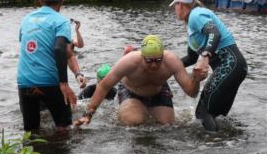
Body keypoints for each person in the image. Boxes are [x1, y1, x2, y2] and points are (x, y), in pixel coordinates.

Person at [75, 35, 206, 127]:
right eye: (149, 61)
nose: (154, 65)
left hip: (158, 91)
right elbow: (104, 86)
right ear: (142, 56)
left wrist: (196, 79)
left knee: (168, 126)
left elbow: (191, 92)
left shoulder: (172, 61)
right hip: (132, 92)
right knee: (133, 122)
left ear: (163, 56)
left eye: (158, 60)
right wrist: (88, 114)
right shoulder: (129, 62)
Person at [169, 0, 248, 132]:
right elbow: (191, 58)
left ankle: (213, 150)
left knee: (202, 113)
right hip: (235, 68)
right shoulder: (192, 27)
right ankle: (228, 145)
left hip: (231, 64)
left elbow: (214, 33)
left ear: (180, 5)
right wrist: (167, 68)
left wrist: (205, 56)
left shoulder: (196, 15)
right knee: (217, 115)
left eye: (175, 6)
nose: (175, 10)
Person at [17, 0, 86, 131]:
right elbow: (59, 48)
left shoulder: (26, 20)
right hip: (49, 82)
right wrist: (64, 84)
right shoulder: (60, 21)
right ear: (62, 1)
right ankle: (61, 153)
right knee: (64, 128)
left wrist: (77, 73)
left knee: (31, 131)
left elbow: (64, 53)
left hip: (25, 83)